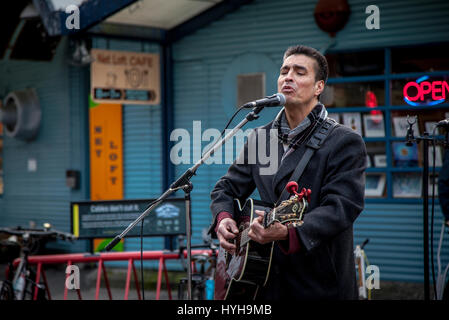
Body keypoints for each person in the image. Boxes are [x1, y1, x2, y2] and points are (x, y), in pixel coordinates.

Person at [209, 45, 367, 300]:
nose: (288, 77)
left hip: (318, 283)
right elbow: (225, 187)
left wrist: (289, 232)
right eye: (284, 71)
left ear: (319, 87)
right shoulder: (260, 137)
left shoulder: (344, 141)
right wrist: (224, 218)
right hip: (264, 283)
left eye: (300, 72)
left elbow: (342, 206)